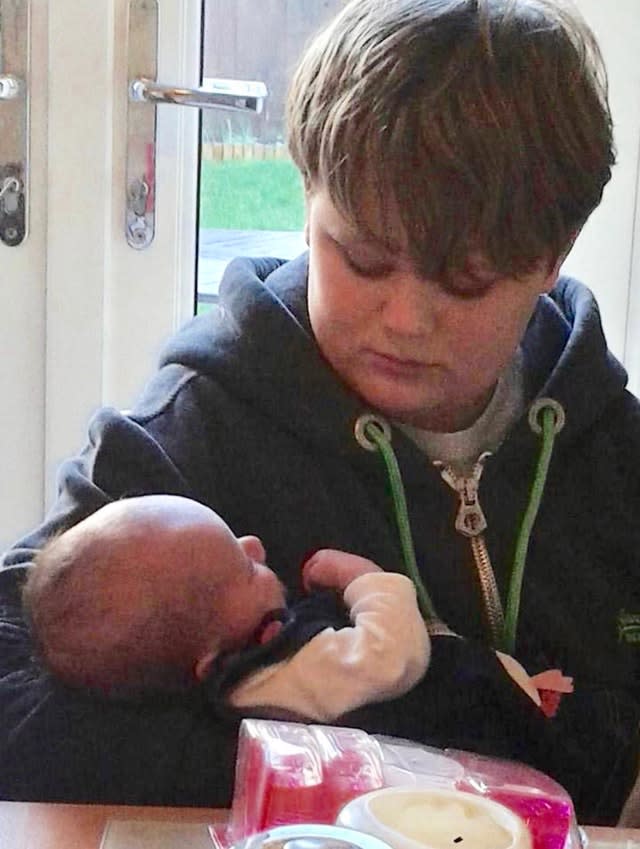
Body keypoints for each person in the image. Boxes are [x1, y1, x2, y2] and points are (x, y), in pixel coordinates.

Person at [1, 0, 638, 825]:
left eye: (466, 281)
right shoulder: (195, 432)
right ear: (307, 194)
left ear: (554, 257)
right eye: (362, 257)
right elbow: (13, 689)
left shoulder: (615, 455)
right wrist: (349, 759)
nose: (405, 321)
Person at [22, 494, 431, 719]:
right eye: (246, 569)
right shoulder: (275, 678)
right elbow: (390, 657)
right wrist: (367, 583)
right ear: (212, 660)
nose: (254, 544)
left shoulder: (252, 655)